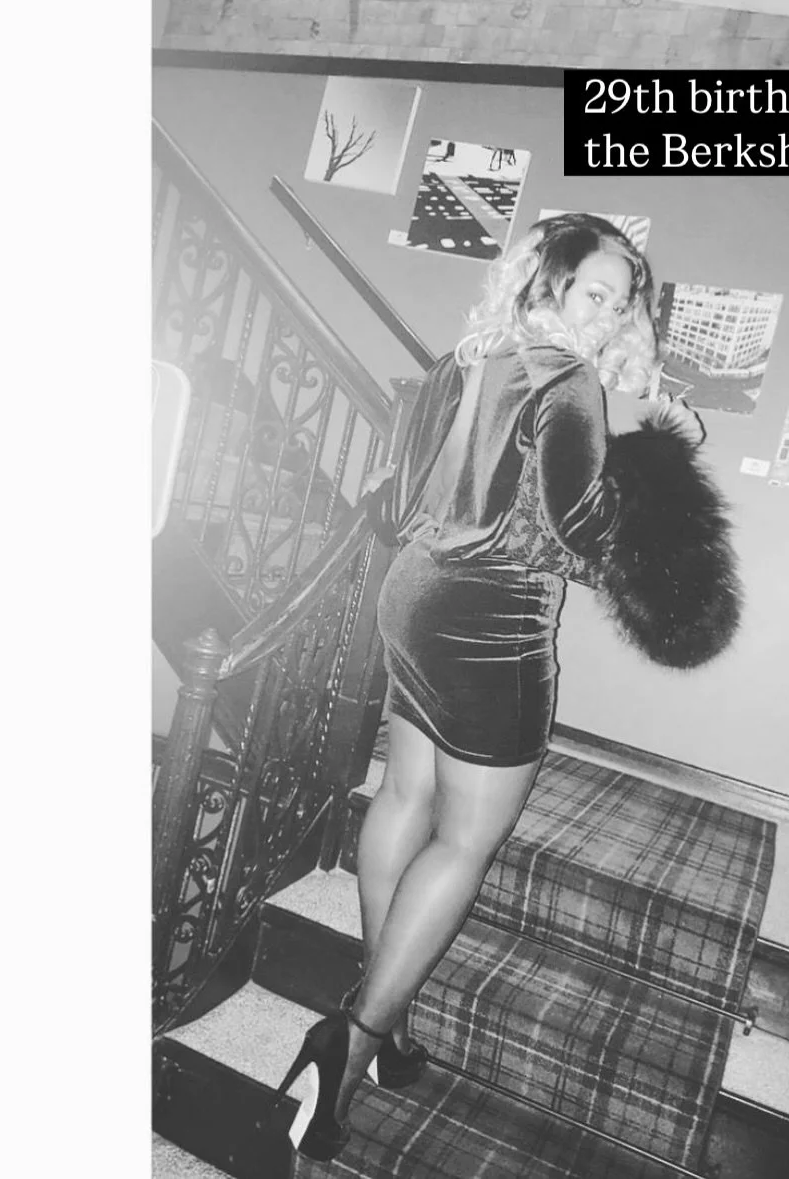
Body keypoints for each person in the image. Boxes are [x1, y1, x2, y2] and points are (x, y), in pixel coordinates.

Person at [273, 214, 665, 1161]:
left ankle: (388, 1014)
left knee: (405, 793)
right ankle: (354, 1036)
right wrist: (652, 477)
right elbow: (578, 528)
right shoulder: (566, 382)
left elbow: (410, 490)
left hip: (414, 591)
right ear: (549, 283)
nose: (609, 317)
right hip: (494, 616)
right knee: (465, 837)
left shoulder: (466, 358)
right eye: (596, 293)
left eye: (621, 305)